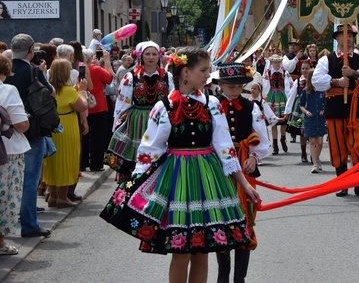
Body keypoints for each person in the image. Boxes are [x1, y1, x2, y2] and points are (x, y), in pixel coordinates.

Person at [100, 47, 261, 283]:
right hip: (177, 180)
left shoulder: (212, 103)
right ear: (186, 72)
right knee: (182, 250)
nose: (209, 75)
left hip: (208, 179)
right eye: (204, 70)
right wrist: (133, 185)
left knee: (202, 249)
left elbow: (225, 149)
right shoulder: (164, 106)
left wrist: (244, 185)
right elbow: (149, 151)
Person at [215, 62, 269, 283]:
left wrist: (254, 158)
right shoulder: (212, 106)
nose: (235, 91)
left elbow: (263, 139)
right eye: (230, 86)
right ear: (220, 85)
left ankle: (240, 278)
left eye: (239, 86)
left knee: (244, 220)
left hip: (245, 164)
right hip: (218, 168)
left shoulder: (252, 107)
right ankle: (222, 276)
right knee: (222, 220)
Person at [311, 24, 359, 197]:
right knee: (338, 146)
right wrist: (336, 82)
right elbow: (316, 81)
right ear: (337, 38)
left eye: (350, 35)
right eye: (343, 35)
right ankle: (342, 183)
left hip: (356, 107)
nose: (347, 38)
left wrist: (354, 73)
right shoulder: (327, 59)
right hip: (335, 106)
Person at [5, 34, 54, 239]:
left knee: (7, 182)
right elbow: (49, 93)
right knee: (29, 180)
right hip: (29, 129)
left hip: (5, 132)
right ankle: (29, 225)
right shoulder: (33, 70)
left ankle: (7, 224)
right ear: (31, 50)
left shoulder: (5, 71)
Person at [107, 42, 173, 180]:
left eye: (154, 54)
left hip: (161, 119)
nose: (151, 57)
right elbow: (122, 104)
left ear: (159, 56)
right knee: (138, 155)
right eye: (147, 54)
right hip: (138, 121)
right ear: (141, 56)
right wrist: (117, 124)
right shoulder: (131, 77)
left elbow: (172, 100)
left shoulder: (167, 76)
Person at [44, 59, 88, 208]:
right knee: (67, 160)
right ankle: (62, 196)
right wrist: (82, 91)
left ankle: (53, 195)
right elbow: (82, 106)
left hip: (51, 127)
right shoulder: (68, 90)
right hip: (66, 127)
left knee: (52, 161)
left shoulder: (47, 88)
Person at [0, 55, 30, 256]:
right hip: (8, 150)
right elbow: (21, 125)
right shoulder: (7, 90)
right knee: (6, 196)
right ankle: (1, 242)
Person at [80, 48, 114, 172]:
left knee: (84, 135)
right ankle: (96, 163)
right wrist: (106, 61)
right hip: (98, 105)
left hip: (82, 105)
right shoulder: (96, 69)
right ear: (90, 59)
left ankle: (82, 162)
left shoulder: (78, 69)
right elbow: (110, 79)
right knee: (98, 136)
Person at [299, 63, 327, 173]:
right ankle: (315, 164)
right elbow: (301, 104)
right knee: (312, 141)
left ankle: (317, 158)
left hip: (319, 118)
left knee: (320, 141)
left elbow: (326, 103)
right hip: (310, 118)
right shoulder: (306, 91)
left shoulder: (322, 91)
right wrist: (306, 112)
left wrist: (324, 111)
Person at [284, 58, 312, 162]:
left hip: (312, 106)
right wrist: (287, 112)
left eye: (307, 68)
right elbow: (291, 96)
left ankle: (313, 154)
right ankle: (303, 153)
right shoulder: (297, 82)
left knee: (312, 133)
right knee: (302, 131)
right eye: (303, 68)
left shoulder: (315, 80)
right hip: (300, 107)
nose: (305, 70)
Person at [262, 54, 291, 155]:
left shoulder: (285, 72)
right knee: (273, 121)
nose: (277, 64)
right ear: (271, 63)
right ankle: (275, 144)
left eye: (278, 62)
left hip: (282, 95)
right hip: (272, 96)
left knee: (283, 120)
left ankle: (283, 139)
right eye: (275, 62)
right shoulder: (268, 72)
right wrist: (264, 97)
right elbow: (265, 85)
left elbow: (289, 84)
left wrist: (289, 96)